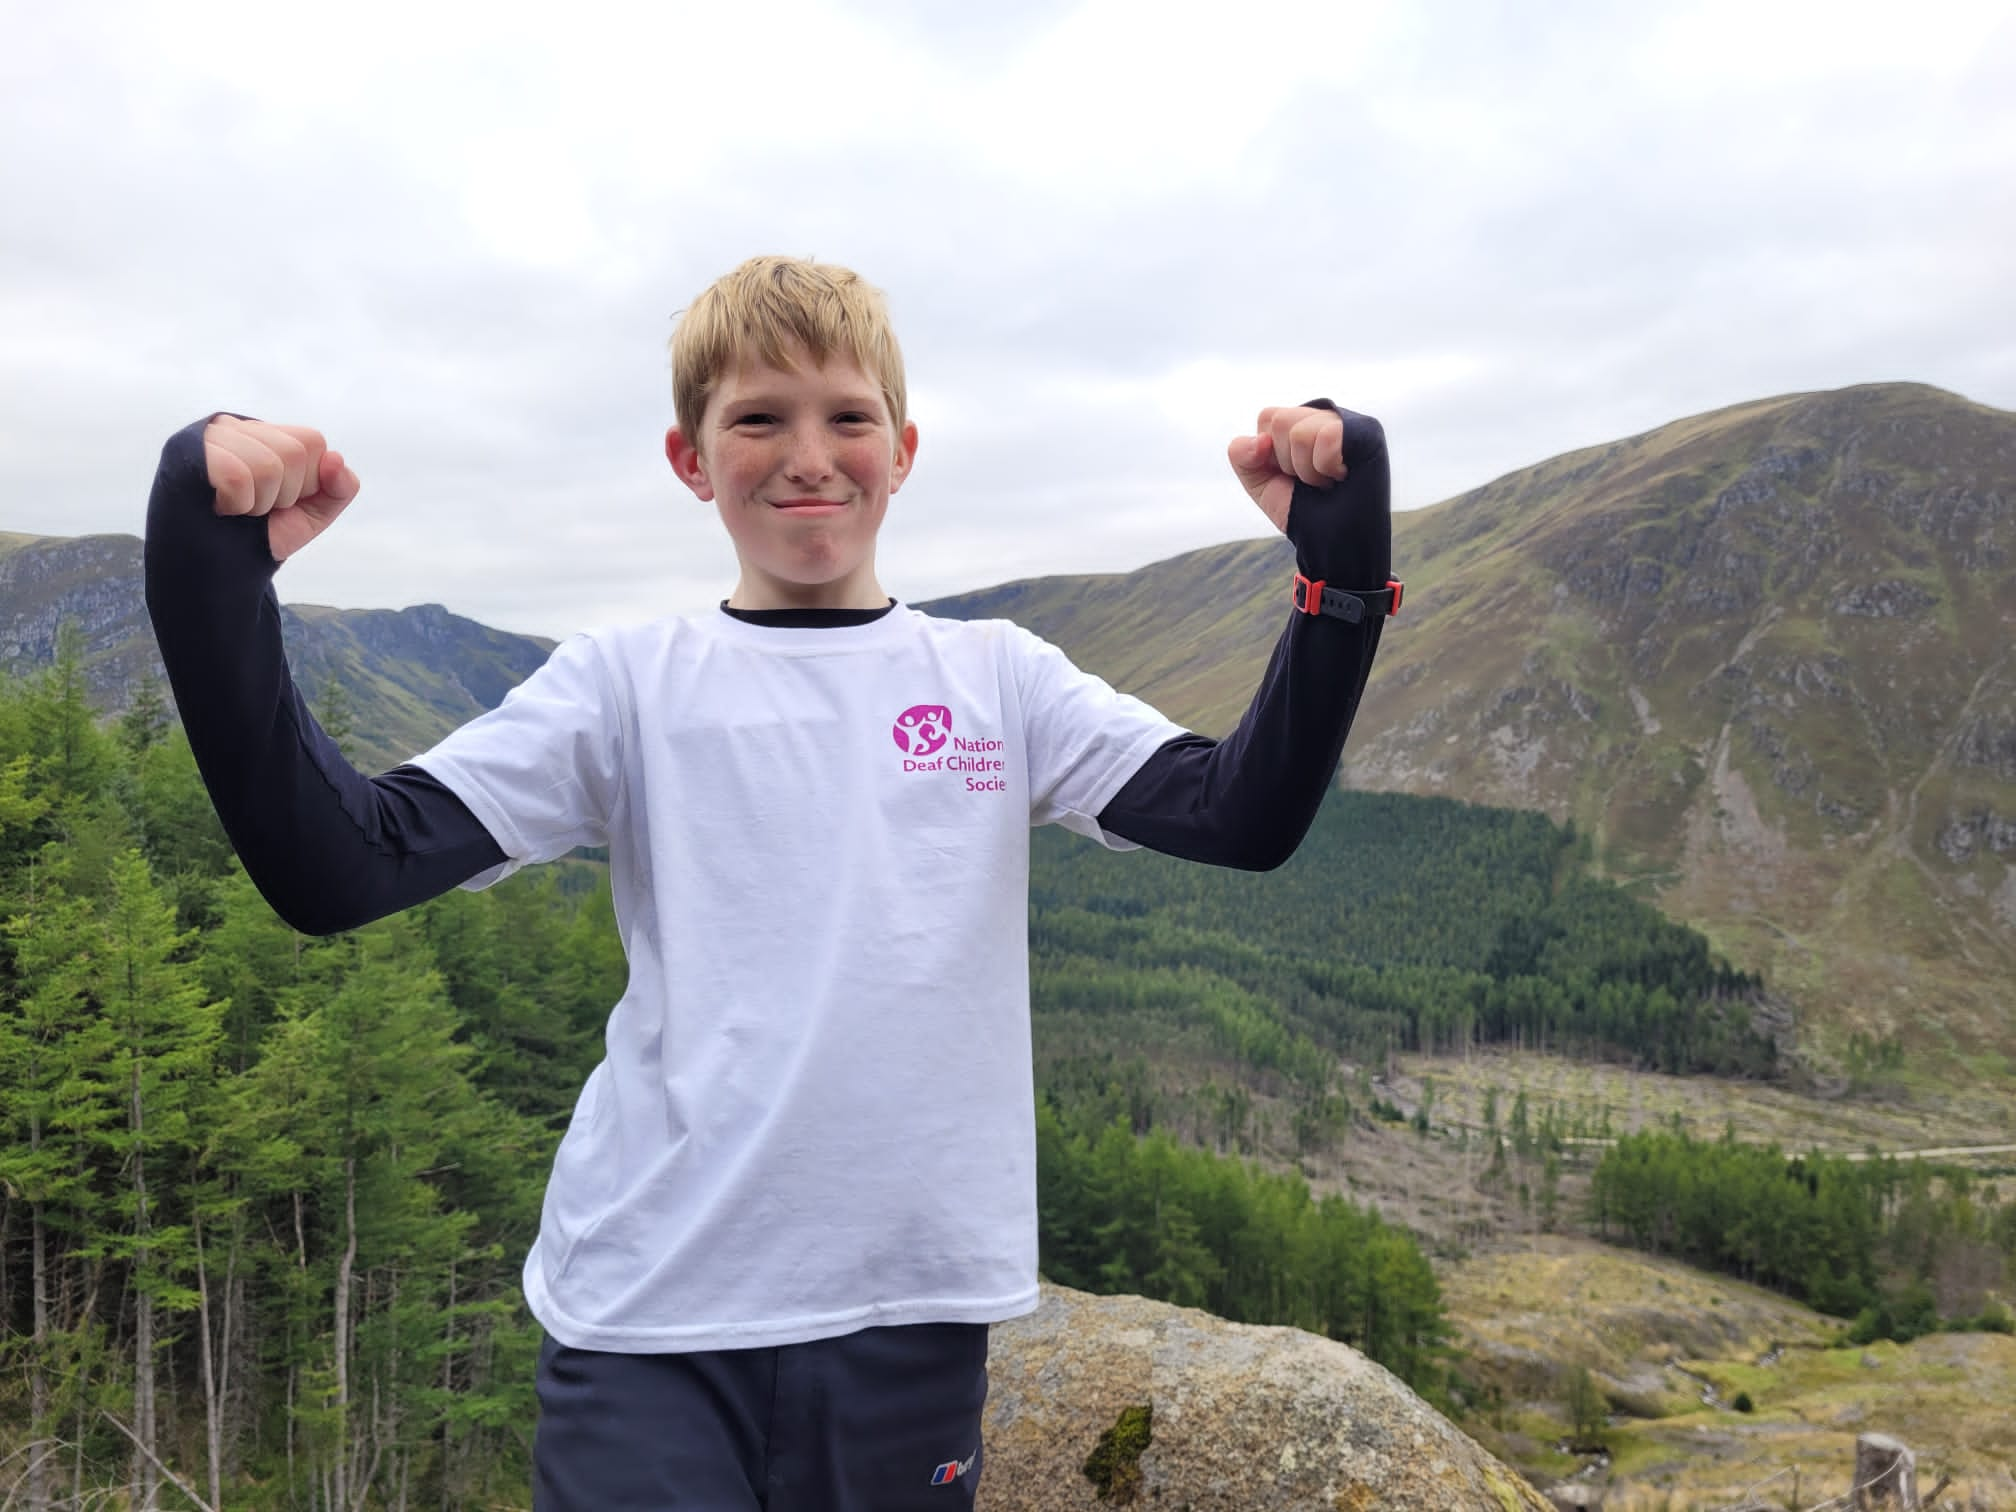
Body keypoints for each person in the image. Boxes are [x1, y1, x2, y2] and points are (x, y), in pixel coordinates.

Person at [143, 255, 1399, 1510]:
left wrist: (1338, 580)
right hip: (648, 1323)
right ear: (692, 459)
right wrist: (212, 582)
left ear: (901, 451)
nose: (810, 455)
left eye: (848, 417)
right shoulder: (625, 685)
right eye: (758, 418)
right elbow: (340, 864)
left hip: (913, 1315)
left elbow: (1243, 816)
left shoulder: (1000, 681)